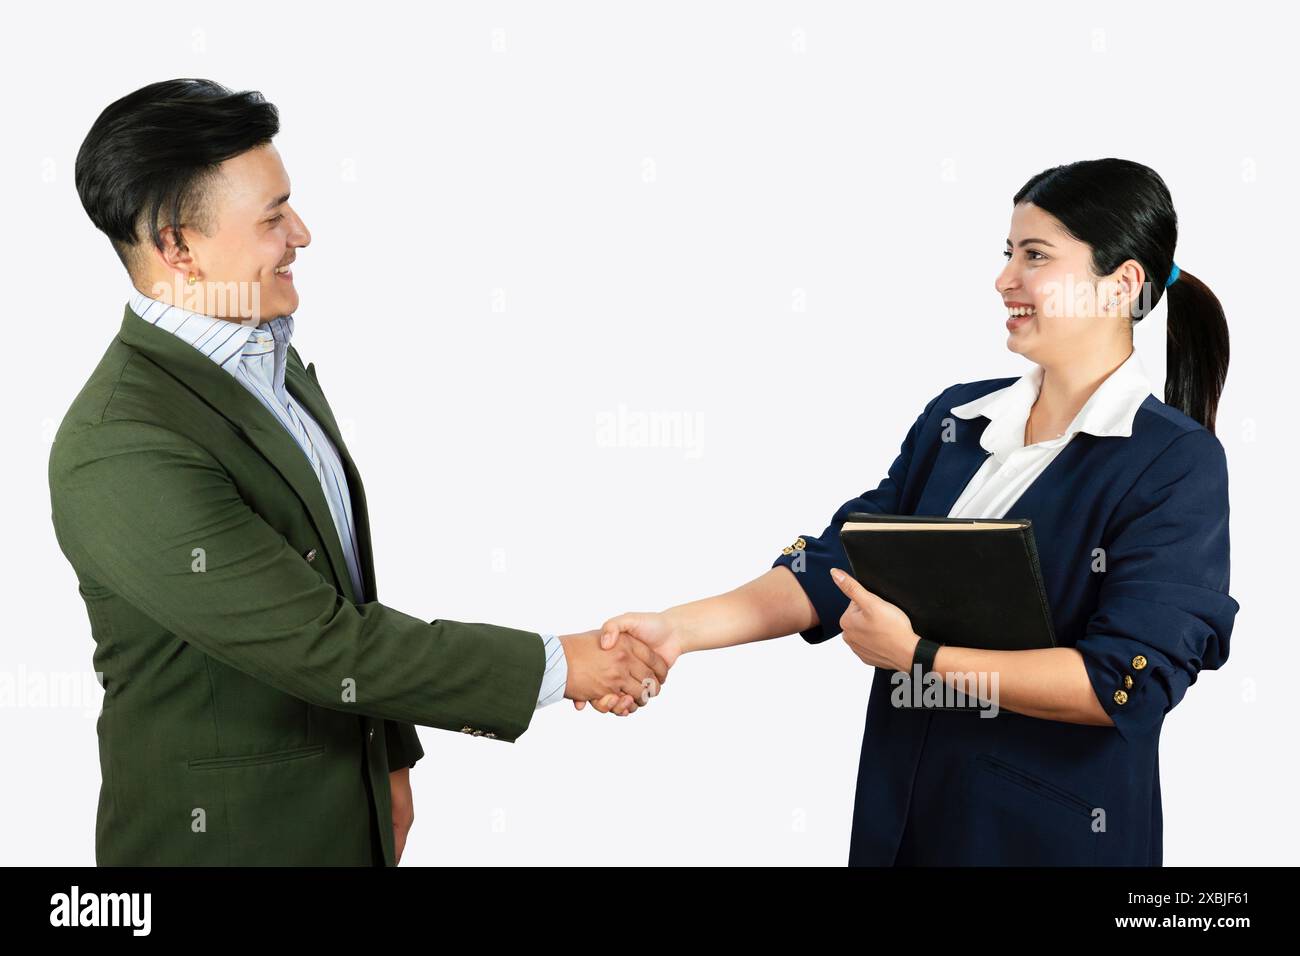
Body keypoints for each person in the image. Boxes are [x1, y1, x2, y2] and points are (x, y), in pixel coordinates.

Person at [48, 78, 666, 866]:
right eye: (272, 217)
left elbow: (335, 587)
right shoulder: (124, 444)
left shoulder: (270, 365)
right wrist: (560, 662)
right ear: (178, 247)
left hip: (342, 809)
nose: (300, 234)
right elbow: (319, 641)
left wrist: (389, 758)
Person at [589, 158, 1240, 865]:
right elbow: (838, 561)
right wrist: (677, 630)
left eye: (1036, 256)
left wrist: (919, 657)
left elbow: (1122, 682)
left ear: (1123, 284)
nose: (1004, 280)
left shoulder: (1173, 462)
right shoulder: (956, 419)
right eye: (1007, 254)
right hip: (904, 821)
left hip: (1044, 839)